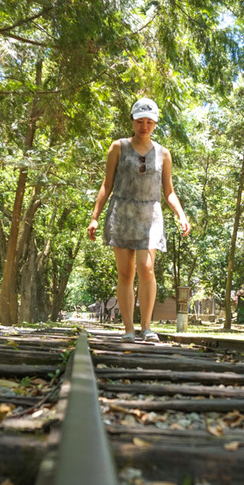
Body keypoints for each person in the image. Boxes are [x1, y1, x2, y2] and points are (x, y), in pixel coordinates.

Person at [87, 97, 190, 342]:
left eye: (149, 122)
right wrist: (94, 217)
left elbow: (169, 191)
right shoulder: (118, 147)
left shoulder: (164, 154)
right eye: (140, 121)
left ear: (155, 123)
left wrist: (181, 215)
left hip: (150, 216)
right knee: (125, 273)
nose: (144, 126)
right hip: (122, 214)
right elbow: (107, 184)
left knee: (147, 268)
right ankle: (129, 330)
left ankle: (146, 327)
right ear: (132, 121)